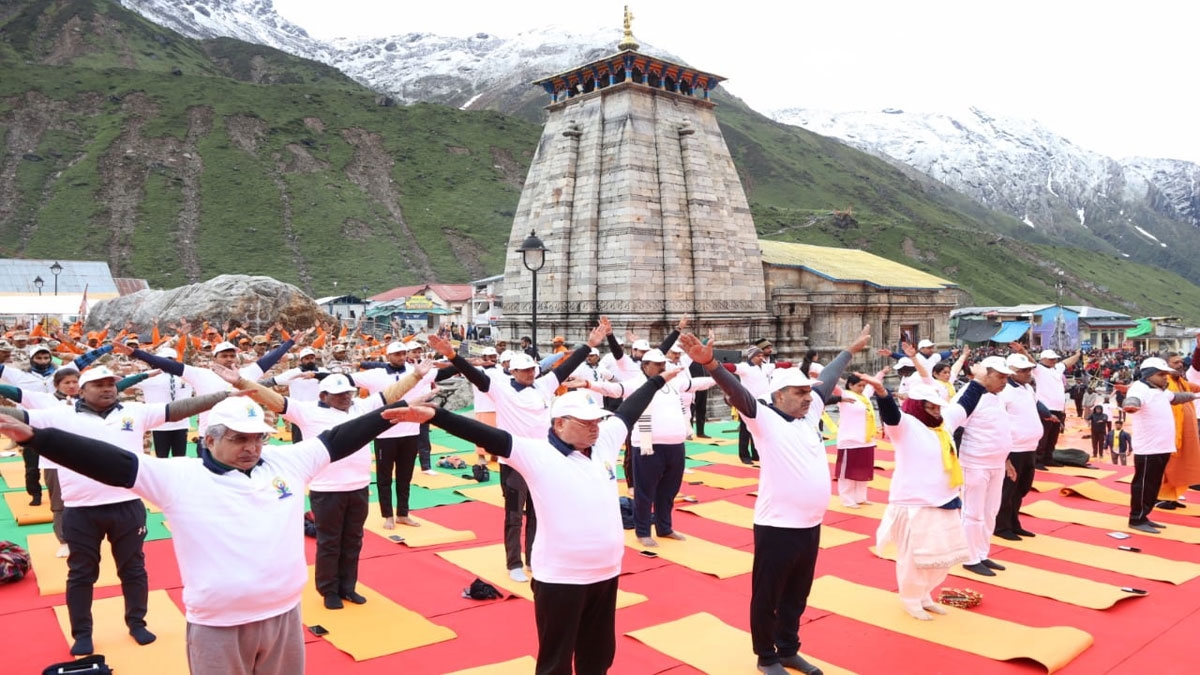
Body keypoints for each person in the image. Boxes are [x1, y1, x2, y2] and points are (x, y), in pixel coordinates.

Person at [0, 396, 411, 675]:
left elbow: (337, 440)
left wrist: (387, 415)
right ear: (208, 438)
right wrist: (38, 439)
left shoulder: (288, 463)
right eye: (238, 438)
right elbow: (112, 462)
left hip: (285, 615)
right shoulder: (176, 476)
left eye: (257, 438)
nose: (251, 447)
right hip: (218, 624)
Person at [386, 374, 672, 674]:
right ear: (559, 423)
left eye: (597, 421)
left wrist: (658, 380)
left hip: (606, 573)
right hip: (561, 578)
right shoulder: (536, 453)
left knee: (598, 657)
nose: (594, 428)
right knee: (555, 662)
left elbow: (628, 411)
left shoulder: (604, 443)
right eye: (585, 422)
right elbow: (488, 435)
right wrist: (437, 415)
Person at [1, 366, 231, 656]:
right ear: (81, 390)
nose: (107, 388)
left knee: (133, 569)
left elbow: (178, 409)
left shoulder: (135, 412)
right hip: (80, 510)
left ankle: (137, 622)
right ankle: (82, 633)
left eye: (111, 383)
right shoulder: (60, 415)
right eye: (99, 384)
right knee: (82, 574)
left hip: (128, 506)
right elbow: (19, 417)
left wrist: (225, 395)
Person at [682, 327, 872, 675]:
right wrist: (711, 364)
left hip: (810, 526)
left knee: (797, 596)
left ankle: (788, 649)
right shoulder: (764, 419)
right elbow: (737, 393)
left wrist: (849, 350)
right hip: (777, 527)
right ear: (779, 394)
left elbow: (827, 379)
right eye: (799, 392)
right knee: (768, 596)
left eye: (806, 391)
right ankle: (766, 656)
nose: (808, 397)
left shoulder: (809, 413)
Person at [219, 363, 430, 610]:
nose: (346, 398)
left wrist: (415, 376)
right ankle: (328, 589)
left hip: (359, 486)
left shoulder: (361, 407)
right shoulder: (306, 411)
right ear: (323, 396)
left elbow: (390, 394)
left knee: (353, 540)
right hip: (327, 489)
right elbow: (275, 400)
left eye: (348, 393)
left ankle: (348, 587)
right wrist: (241, 382)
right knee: (329, 542)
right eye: (339, 395)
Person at [430, 322, 611, 583]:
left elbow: (566, 367)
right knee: (514, 515)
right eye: (524, 370)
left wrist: (590, 345)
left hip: (545, 460)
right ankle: (513, 562)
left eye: (531, 369)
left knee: (540, 512)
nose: (529, 373)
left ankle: (534, 558)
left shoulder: (544, 385)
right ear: (513, 371)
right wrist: (452, 356)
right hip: (515, 460)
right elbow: (474, 375)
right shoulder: (500, 388)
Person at [871, 373, 987, 620]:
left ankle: (925, 595)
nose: (935, 411)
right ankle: (910, 599)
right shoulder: (905, 426)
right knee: (915, 557)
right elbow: (891, 414)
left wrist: (978, 380)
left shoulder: (944, 424)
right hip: (915, 504)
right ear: (917, 406)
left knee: (942, 556)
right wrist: (882, 393)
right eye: (930, 407)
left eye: (937, 406)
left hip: (945, 500)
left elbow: (964, 404)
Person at [578, 346, 715, 547]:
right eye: (657, 365)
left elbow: (697, 383)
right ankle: (643, 531)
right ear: (645, 366)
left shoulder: (674, 382)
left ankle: (664, 527)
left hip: (675, 444)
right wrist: (590, 383)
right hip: (647, 446)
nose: (661, 368)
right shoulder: (638, 383)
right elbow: (615, 390)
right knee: (645, 491)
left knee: (669, 491)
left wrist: (719, 374)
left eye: (663, 364)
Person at [953, 357, 1016, 577]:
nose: (1004, 381)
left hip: (996, 464)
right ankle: (969, 558)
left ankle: (981, 553)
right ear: (985, 375)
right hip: (975, 463)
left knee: (990, 512)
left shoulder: (997, 397)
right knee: (973, 513)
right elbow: (954, 429)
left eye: (1006, 377)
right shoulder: (969, 396)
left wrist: (1006, 460)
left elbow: (999, 431)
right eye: (999, 377)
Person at [1123, 357, 1199, 533]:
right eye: (1161, 374)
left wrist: (1195, 395)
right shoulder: (1140, 388)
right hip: (1149, 448)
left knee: (1154, 484)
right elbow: (1133, 400)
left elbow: (1177, 398)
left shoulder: (1160, 390)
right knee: (1144, 484)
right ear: (1149, 375)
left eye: (1166, 374)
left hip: (1163, 447)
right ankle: (1136, 518)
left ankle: (1144, 515)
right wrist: (1130, 405)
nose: (1166, 378)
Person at [994, 352, 1053, 541]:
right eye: (1024, 370)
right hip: (1014, 449)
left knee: (1021, 489)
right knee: (1007, 490)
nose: (1028, 373)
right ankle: (1001, 526)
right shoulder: (1004, 392)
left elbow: (1037, 404)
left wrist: (1047, 414)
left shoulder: (1027, 388)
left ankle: (1014, 522)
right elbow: (998, 420)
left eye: (1029, 369)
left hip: (1029, 447)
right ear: (1011, 372)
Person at [1156, 351, 1200, 509]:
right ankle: (1160, 497)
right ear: (1165, 365)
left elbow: (1194, 388)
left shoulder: (1181, 380)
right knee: (1168, 466)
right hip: (1169, 433)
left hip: (1183, 433)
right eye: (1176, 362)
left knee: (1180, 466)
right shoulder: (1161, 382)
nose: (1180, 364)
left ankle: (1172, 498)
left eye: (1181, 362)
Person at [834, 371, 883, 509]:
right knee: (847, 473)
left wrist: (882, 373)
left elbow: (872, 385)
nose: (862, 388)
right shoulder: (845, 395)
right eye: (859, 385)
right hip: (850, 441)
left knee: (863, 470)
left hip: (866, 440)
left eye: (863, 385)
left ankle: (861, 497)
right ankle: (847, 499)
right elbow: (833, 386)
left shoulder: (865, 397)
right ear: (850, 385)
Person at [1030, 347, 1081, 469]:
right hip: (1045, 408)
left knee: (1053, 436)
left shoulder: (1057, 368)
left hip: (1058, 409)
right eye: (1051, 359)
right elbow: (1030, 360)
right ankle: (1038, 460)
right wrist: (1021, 350)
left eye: (1054, 359)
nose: (1053, 361)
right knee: (1043, 436)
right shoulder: (1038, 369)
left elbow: (1067, 362)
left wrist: (1078, 354)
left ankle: (1048, 458)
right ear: (1043, 359)